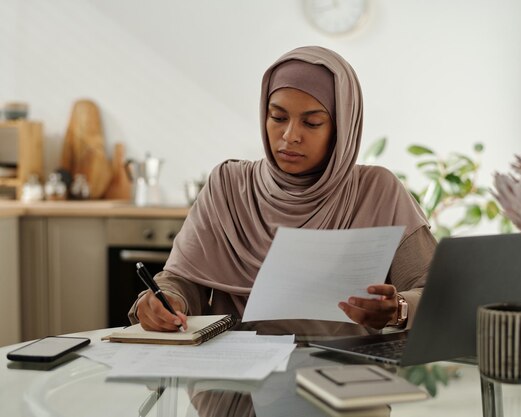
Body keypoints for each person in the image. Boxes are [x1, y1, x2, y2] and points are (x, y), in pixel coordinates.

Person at [129, 46, 437, 336]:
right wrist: (166, 300)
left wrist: (398, 309)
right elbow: (183, 280)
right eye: (277, 117)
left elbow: (433, 290)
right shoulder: (228, 185)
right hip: (234, 380)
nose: (289, 136)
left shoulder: (377, 191)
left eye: (312, 123)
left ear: (342, 128)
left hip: (344, 380)